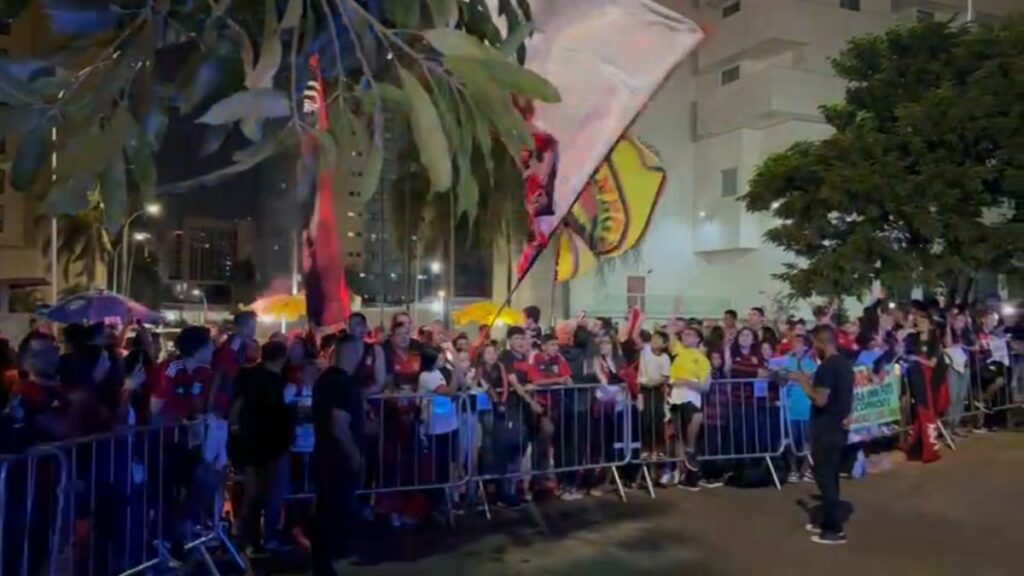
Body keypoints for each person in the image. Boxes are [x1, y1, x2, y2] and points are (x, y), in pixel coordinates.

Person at [792, 326, 854, 545]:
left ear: (820, 343)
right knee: (830, 476)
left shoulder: (827, 367)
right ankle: (827, 519)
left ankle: (834, 529)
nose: (813, 349)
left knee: (825, 477)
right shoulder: (845, 365)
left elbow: (820, 399)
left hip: (827, 430)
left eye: (814, 344)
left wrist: (803, 383)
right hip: (838, 428)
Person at [233, 341, 295, 555]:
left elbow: (238, 407)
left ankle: (248, 537)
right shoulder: (276, 383)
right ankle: (267, 537)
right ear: (282, 357)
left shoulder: (246, 376)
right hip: (273, 446)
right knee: (273, 494)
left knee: (253, 496)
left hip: (250, 443)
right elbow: (278, 415)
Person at [310, 336, 364, 575]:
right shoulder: (342, 383)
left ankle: (326, 558)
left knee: (327, 507)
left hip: (324, 451)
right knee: (333, 508)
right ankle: (325, 562)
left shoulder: (325, 380)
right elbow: (338, 421)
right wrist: (354, 453)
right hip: (337, 455)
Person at [666, 326, 711, 490]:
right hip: (676, 398)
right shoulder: (679, 351)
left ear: (698, 339)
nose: (685, 336)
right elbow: (671, 334)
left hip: (691, 397)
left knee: (694, 424)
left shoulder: (702, 360)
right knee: (678, 437)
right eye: (684, 333)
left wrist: (686, 382)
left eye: (689, 334)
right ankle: (682, 473)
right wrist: (673, 320)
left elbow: (705, 386)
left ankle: (691, 456)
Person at [417, 346, 459, 516]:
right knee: (436, 468)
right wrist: (457, 373)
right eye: (439, 358)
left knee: (446, 466)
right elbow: (448, 392)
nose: (442, 360)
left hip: (448, 425)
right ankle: (436, 504)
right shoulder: (426, 376)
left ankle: (444, 502)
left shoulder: (439, 372)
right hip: (434, 428)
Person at [527, 334, 571, 495]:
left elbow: (567, 377)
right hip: (542, 408)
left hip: (558, 406)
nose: (555, 347)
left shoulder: (560, 359)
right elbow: (535, 381)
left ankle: (546, 478)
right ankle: (536, 480)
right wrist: (558, 381)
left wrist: (563, 380)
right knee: (542, 442)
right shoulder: (536, 358)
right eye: (552, 344)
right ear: (544, 345)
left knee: (554, 444)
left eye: (556, 345)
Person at [781, 334, 817, 483]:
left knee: (808, 440)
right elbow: (780, 375)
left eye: (799, 342)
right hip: (790, 407)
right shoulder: (786, 361)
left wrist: (798, 375)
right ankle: (793, 469)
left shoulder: (810, 363)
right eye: (794, 341)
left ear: (806, 346)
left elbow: (810, 377)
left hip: (806, 407)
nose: (794, 344)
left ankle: (808, 469)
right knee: (792, 440)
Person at [637, 330, 671, 460]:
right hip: (644, 390)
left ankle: (660, 449)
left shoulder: (665, 358)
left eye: (658, 339)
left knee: (657, 419)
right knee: (645, 419)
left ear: (664, 343)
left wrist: (653, 383)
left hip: (657, 390)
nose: (654, 341)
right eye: (653, 338)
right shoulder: (644, 351)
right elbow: (636, 338)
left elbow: (665, 377)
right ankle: (645, 448)